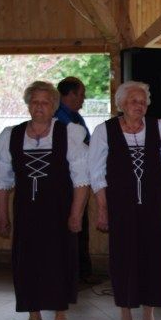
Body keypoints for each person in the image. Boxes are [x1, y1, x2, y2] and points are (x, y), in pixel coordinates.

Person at [0, 81, 89, 320]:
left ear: (54, 106)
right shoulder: (11, 135)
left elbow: (81, 179)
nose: (39, 107)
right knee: (27, 263)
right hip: (26, 211)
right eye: (34, 102)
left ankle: (60, 317)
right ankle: (33, 318)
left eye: (45, 102)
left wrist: (76, 214)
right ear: (28, 105)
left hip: (59, 211)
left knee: (59, 261)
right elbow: (1, 178)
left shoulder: (68, 134)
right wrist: (1, 214)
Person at [89, 81, 161, 320]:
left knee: (153, 259)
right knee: (123, 259)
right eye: (134, 101)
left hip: (153, 206)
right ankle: (125, 315)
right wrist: (103, 209)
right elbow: (96, 173)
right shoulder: (104, 131)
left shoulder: (159, 127)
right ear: (121, 104)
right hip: (120, 206)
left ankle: (149, 315)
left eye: (143, 101)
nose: (140, 105)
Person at [56, 76, 98, 285]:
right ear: (70, 95)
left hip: (80, 178)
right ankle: (70, 273)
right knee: (70, 225)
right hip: (65, 180)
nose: (83, 99)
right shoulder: (58, 118)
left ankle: (81, 272)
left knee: (81, 224)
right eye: (81, 95)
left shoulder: (75, 117)